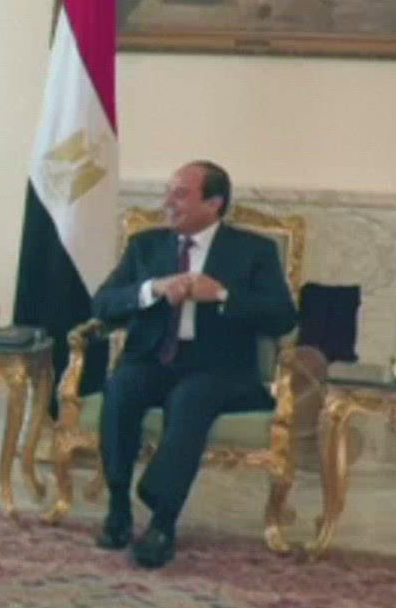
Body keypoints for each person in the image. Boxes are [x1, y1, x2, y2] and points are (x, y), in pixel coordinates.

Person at [91, 160, 297, 569]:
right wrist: (152, 289)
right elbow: (103, 304)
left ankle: (162, 524)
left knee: (191, 399)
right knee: (120, 389)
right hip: (152, 359)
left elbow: (283, 318)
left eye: (180, 194)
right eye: (168, 192)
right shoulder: (145, 245)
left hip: (218, 368)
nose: (168, 202)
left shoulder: (253, 250)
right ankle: (118, 508)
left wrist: (222, 295)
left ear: (214, 203)